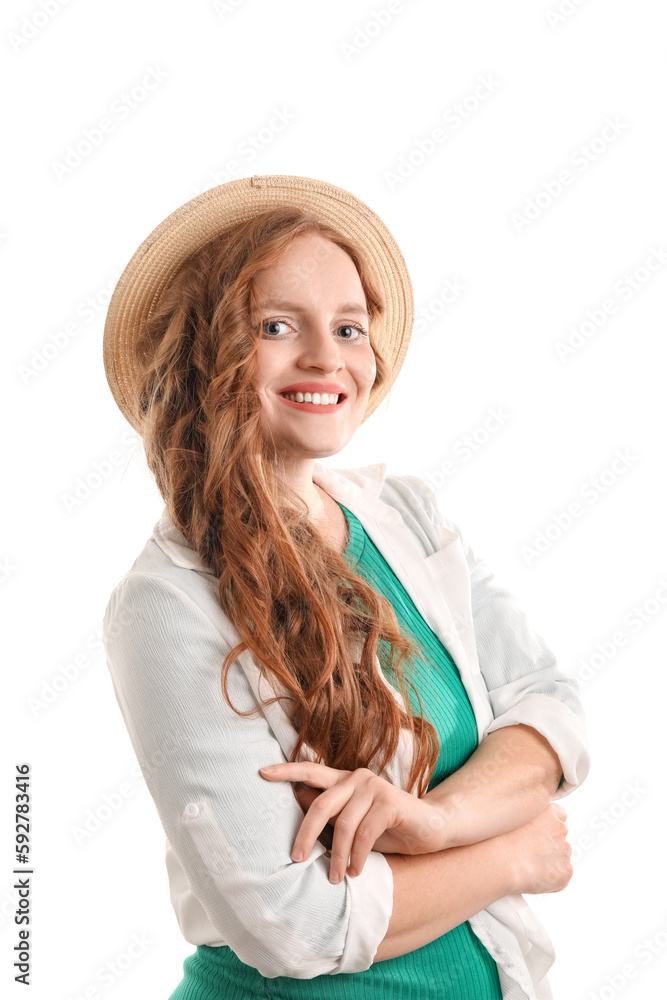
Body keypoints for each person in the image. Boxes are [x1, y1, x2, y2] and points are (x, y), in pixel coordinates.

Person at [101, 173, 590, 999]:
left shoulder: (405, 516)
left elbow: (549, 710)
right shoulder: (166, 604)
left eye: (349, 327)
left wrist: (434, 823)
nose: (327, 356)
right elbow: (295, 926)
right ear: (205, 353)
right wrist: (510, 854)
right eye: (276, 325)